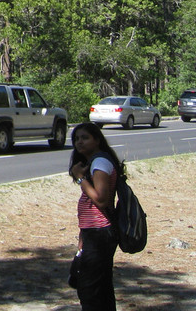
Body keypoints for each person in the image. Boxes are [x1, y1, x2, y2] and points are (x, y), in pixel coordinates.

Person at [68, 122, 123, 311]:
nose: (79, 142)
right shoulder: (95, 162)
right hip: (93, 232)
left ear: (97, 140)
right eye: (76, 139)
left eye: (85, 138)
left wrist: (81, 179)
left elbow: (101, 200)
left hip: (101, 233)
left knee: (90, 290)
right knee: (101, 288)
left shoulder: (100, 162)